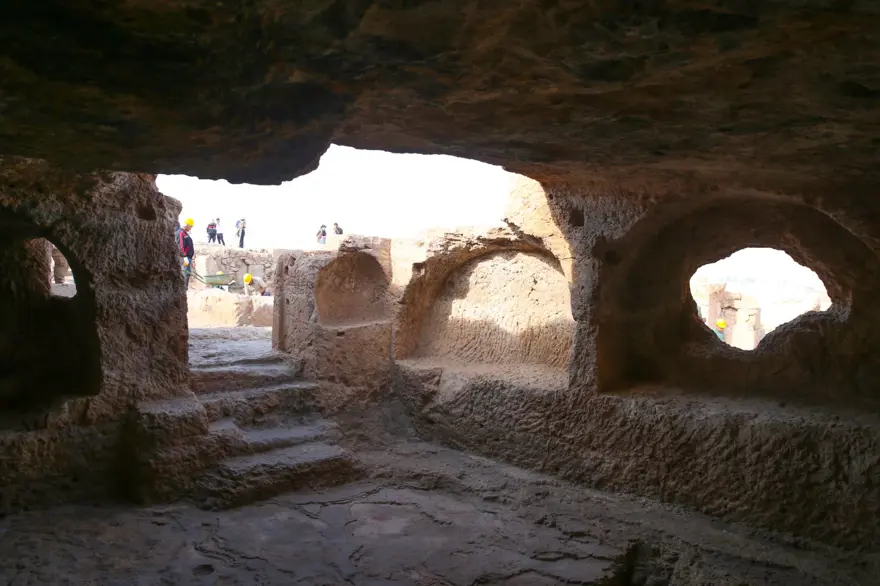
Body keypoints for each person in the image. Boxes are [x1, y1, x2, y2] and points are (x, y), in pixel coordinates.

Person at [178, 217, 195, 289]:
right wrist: (184, 256)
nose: (191, 228)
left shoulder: (185, 233)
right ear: (187, 225)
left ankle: (185, 288)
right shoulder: (181, 233)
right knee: (186, 273)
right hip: (185, 257)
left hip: (188, 257)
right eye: (191, 226)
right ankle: (184, 289)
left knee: (187, 273)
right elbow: (181, 246)